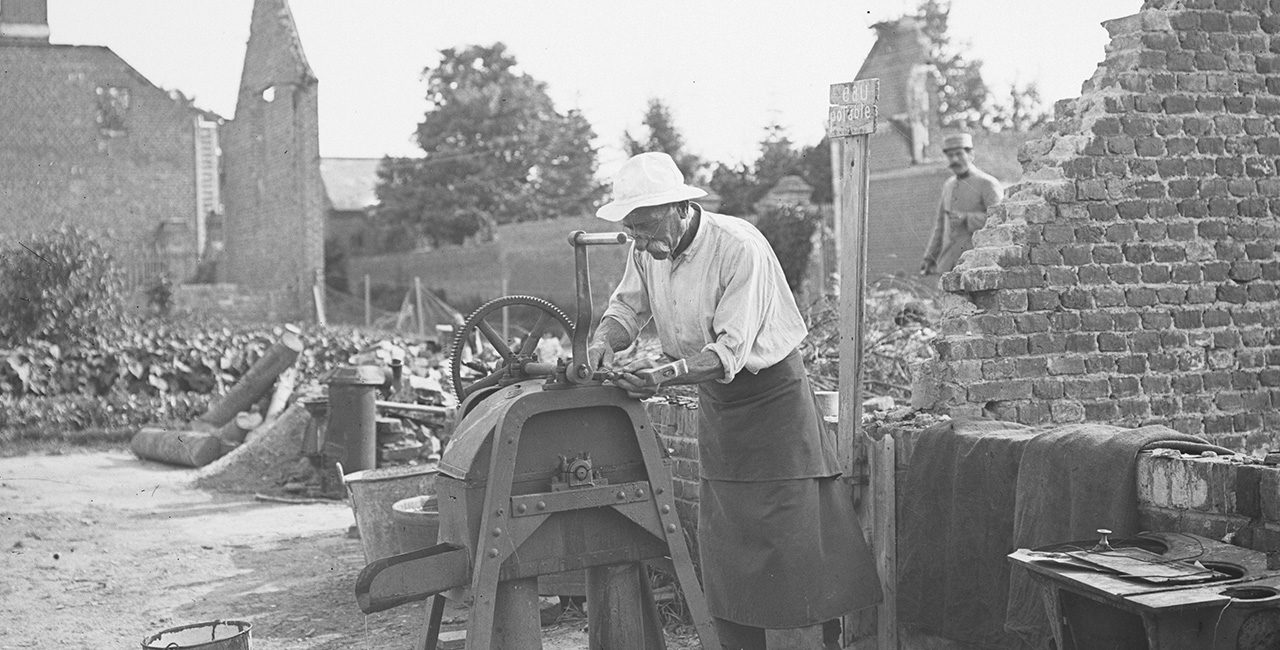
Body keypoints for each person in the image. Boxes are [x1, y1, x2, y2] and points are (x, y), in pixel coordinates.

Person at [586, 152, 881, 650]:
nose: (638, 239)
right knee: (727, 544)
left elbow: (729, 351)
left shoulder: (738, 247)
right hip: (719, 410)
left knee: (794, 540)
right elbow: (626, 308)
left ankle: (815, 644)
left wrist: (661, 376)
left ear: (679, 207)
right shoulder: (647, 248)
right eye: (632, 228)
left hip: (773, 402)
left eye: (645, 226)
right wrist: (602, 342)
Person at [921, 132, 1003, 276]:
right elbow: (940, 226)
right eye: (950, 156)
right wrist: (930, 257)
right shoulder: (948, 186)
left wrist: (967, 218)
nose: (954, 160)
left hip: (977, 264)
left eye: (959, 154)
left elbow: (1000, 221)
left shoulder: (988, 183)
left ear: (971, 154)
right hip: (948, 263)